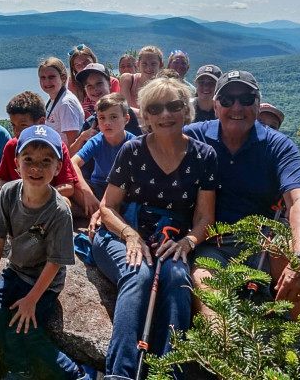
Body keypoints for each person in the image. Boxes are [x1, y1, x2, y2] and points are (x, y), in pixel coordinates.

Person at [183, 70, 300, 378]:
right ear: (216, 103)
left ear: (258, 102)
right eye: (228, 99)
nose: (237, 107)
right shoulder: (195, 135)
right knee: (209, 293)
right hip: (213, 242)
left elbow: (299, 200)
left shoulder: (277, 145)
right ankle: (233, 365)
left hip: (263, 242)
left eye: (246, 99)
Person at [90, 77, 217, 380]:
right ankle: (121, 373)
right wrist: (130, 236)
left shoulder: (204, 157)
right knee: (139, 272)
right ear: (144, 116)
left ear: (186, 111)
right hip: (123, 232)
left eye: (174, 106)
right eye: (155, 108)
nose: (165, 115)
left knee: (176, 277)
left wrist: (187, 242)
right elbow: (107, 207)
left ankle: (168, 372)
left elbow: (205, 219)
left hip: (170, 238)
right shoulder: (132, 151)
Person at [0, 125, 91, 380]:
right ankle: (21, 367)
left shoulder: (59, 211)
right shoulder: (7, 193)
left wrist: (31, 301)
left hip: (43, 284)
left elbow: (54, 262)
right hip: (16, 271)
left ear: (58, 168)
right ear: (16, 164)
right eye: (28, 160)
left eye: (45, 161)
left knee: (23, 328)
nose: (36, 168)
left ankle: (73, 372)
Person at [0, 91, 81, 216]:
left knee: (65, 202)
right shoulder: (12, 146)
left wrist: (38, 194)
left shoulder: (57, 146)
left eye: (23, 126)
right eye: (13, 125)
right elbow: (3, 180)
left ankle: (8, 219)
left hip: (45, 200)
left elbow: (68, 187)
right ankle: (8, 219)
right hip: (15, 199)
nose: (16, 131)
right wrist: (9, 193)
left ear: (41, 122)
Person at [71, 93, 136, 200]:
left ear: (126, 119)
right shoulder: (96, 141)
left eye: (113, 117)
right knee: (69, 188)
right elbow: (73, 163)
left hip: (123, 188)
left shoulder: (134, 143)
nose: (107, 123)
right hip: (98, 186)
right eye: (102, 118)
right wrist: (87, 192)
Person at [70, 63, 142, 158]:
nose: (94, 89)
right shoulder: (90, 123)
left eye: (99, 83)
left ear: (109, 83)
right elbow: (70, 155)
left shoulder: (126, 114)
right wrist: (82, 138)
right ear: (85, 90)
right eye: (89, 86)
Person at [39, 57, 84, 146]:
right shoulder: (54, 100)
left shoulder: (66, 104)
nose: (46, 82)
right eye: (43, 77)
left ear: (63, 78)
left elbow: (73, 143)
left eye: (51, 77)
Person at [67, 44, 120, 118]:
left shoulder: (112, 82)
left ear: (93, 60)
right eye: (78, 65)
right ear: (74, 69)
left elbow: (116, 108)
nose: (83, 67)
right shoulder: (73, 84)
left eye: (86, 62)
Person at [120, 45, 164, 110]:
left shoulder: (163, 86)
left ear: (160, 65)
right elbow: (126, 110)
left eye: (153, 64)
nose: (149, 68)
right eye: (144, 63)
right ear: (138, 64)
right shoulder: (128, 80)